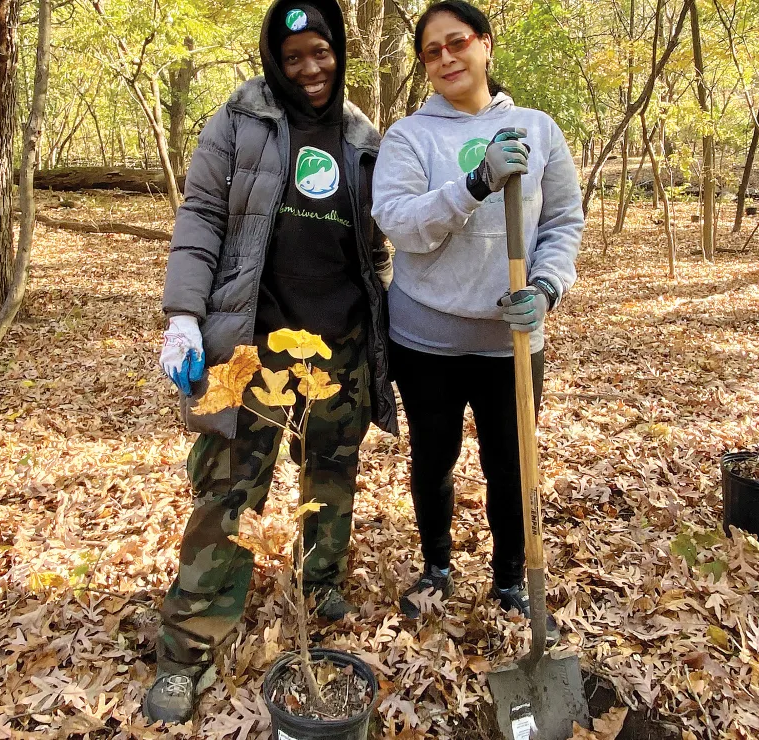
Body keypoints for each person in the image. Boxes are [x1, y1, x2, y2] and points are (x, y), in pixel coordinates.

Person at [146, 0, 397, 724]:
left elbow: (379, 240)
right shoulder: (239, 120)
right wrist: (185, 315)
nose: (311, 69)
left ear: (339, 52)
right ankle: (187, 649)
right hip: (248, 342)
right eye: (295, 59)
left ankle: (319, 584)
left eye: (322, 53)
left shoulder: (361, 135)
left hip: (340, 344)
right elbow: (200, 217)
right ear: (273, 62)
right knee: (227, 491)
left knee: (331, 476)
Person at [370, 0, 583, 640]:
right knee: (434, 457)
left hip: (511, 338)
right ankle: (437, 565)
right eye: (431, 52)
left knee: (510, 461)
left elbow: (563, 222)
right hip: (425, 337)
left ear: (485, 44)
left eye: (455, 42)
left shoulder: (537, 129)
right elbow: (400, 224)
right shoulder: (408, 137)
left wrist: (546, 287)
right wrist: (475, 182)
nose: (446, 58)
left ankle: (511, 576)